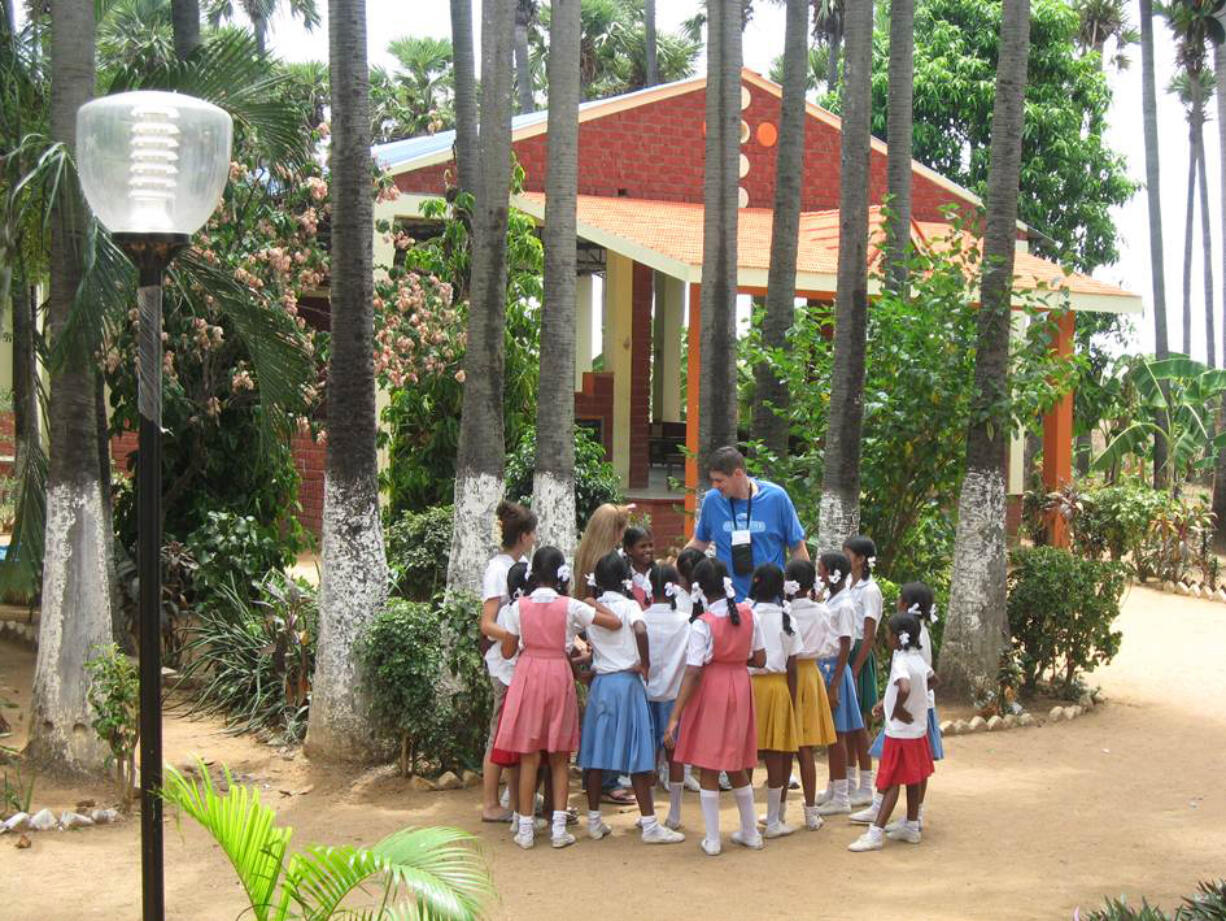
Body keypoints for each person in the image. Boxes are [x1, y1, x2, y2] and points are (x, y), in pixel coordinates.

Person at [495, 547, 621, 850]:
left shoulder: (518, 607)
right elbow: (613, 623)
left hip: (528, 676)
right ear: (561, 573)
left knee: (528, 755)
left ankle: (524, 829)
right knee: (559, 756)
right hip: (557, 675)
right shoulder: (570, 606)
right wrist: (592, 600)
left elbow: (508, 652)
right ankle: (559, 829)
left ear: (533, 573)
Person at [579, 552, 685, 845]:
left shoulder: (592, 609)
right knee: (640, 754)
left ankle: (594, 820)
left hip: (602, 684)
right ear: (626, 577)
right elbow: (640, 628)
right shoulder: (630, 606)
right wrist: (645, 661)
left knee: (597, 754)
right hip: (627, 683)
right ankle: (650, 824)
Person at [663, 558, 767, 856]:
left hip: (712, 690)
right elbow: (760, 659)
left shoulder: (702, 625)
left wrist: (675, 716)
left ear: (700, 590)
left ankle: (713, 838)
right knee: (736, 761)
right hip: (741, 686)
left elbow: (693, 670)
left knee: (708, 763)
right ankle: (750, 832)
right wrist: (734, 660)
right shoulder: (750, 614)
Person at [853, 582, 944, 827]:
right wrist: (888, 700)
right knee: (899, 761)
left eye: (900, 599)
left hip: (913, 712)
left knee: (913, 765)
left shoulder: (914, 638)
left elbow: (920, 679)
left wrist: (902, 706)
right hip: (906, 710)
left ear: (906, 604)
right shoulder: (909, 633)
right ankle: (888, 810)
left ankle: (912, 815)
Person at [848, 609, 935, 852]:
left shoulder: (901, 661)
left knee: (892, 782)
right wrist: (890, 701)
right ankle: (911, 824)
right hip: (917, 731)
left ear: (898, 638)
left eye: (887, 633)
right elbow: (933, 680)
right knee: (914, 778)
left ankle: (875, 833)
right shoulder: (918, 660)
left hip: (899, 733)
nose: (885, 637)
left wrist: (897, 709)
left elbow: (904, 688)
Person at [572, 502, 637, 805]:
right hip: (608, 646)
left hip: (590, 639)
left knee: (598, 719)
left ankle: (594, 776)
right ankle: (609, 780)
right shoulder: (608, 563)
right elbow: (614, 620)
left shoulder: (584, 556)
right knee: (612, 721)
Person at [685, 446, 809, 601]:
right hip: (728, 602)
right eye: (713, 480)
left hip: (769, 603)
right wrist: (670, 573)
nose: (715, 486)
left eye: (719, 480)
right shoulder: (712, 501)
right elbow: (699, 542)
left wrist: (805, 590)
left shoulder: (776, 497)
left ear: (738, 473)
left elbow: (797, 546)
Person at [479, 500, 536, 822]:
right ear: (524, 535)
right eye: (533, 531)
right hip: (503, 664)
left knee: (515, 734)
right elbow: (487, 623)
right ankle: (490, 804)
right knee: (499, 732)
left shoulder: (523, 563)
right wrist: (516, 636)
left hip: (519, 662)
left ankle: (514, 799)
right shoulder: (497, 570)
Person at [783, 559, 838, 831]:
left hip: (786, 676)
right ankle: (810, 812)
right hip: (810, 674)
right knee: (806, 749)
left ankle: (777, 812)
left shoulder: (782, 611)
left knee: (782, 748)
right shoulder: (821, 612)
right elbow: (831, 646)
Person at [747, 563, 800, 839]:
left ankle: (746, 823)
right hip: (778, 688)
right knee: (777, 753)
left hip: (749, 687)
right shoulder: (786, 618)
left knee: (746, 753)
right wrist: (792, 698)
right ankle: (775, 820)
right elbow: (793, 666)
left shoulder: (746, 614)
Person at [642, 562, 691, 829]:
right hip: (675, 698)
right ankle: (674, 813)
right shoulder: (684, 622)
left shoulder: (641, 618)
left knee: (647, 757)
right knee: (676, 757)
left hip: (647, 697)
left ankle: (647, 812)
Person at [814, 551, 863, 816]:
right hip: (827, 668)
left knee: (838, 733)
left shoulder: (844, 605)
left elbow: (845, 644)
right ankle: (834, 787)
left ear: (832, 572)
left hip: (835, 670)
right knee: (831, 732)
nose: (819, 575)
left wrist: (834, 684)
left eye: (821, 570)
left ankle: (842, 796)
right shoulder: (831, 599)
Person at [844, 535, 882, 807]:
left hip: (858, 655)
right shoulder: (848, 584)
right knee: (846, 724)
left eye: (848, 554)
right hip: (846, 652)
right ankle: (847, 783)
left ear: (859, 559)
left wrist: (855, 671)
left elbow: (868, 635)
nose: (845, 559)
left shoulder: (870, 590)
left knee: (860, 724)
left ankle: (866, 784)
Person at [574, 503, 634, 600]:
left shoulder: (581, 555)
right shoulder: (614, 562)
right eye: (623, 531)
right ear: (615, 531)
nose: (622, 537)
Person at [623, 525, 656, 609]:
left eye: (650, 545)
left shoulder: (659, 574)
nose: (648, 550)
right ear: (629, 550)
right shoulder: (623, 578)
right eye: (643, 546)